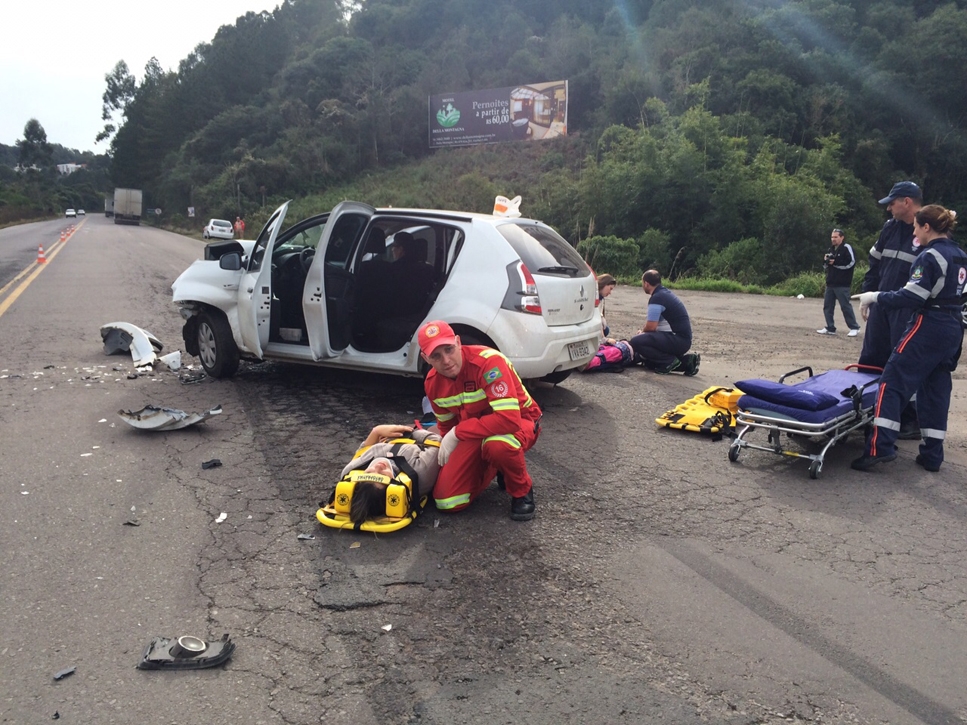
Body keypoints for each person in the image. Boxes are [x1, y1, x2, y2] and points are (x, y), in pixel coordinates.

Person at [850, 205, 965, 472]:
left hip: (929, 324)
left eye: (916, 227)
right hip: (953, 327)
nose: (913, 232)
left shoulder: (930, 257)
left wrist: (875, 297)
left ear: (926, 228)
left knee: (892, 381)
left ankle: (880, 448)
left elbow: (911, 296)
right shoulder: (960, 255)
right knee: (935, 389)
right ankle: (932, 455)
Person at [419, 320, 541, 521]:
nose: (446, 360)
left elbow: (508, 421)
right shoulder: (432, 384)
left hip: (521, 421)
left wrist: (458, 433)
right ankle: (498, 466)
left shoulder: (488, 362)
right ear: (426, 358)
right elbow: (447, 427)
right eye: (436, 356)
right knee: (447, 502)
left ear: (458, 342)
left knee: (498, 446)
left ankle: (521, 490)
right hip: (477, 431)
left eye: (449, 349)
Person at [859, 181, 923, 437]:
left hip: (907, 309)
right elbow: (874, 263)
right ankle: (865, 409)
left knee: (902, 364)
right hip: (882, 304)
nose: (888, 209)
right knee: (871, 357)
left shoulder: (927, 231)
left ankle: (910, 420)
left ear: (907, 202)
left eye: (892, 203)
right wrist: (868, 294)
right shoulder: (890, 228)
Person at [340, 424, 442, 523]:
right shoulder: (419, 473)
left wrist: (377, 431)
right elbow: (436, 441)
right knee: (436, 428)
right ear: (394, 488)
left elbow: (363, 450)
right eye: (383, 475)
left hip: (387, 436)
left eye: (370, 472)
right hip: (418, 438)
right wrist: (409, 432)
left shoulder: (350, 472)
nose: (378, 467)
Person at [629, 269, 700, 375]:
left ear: (646, 283)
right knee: (650, 363)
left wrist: (642, 333)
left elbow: (651, 327)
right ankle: (687, 362)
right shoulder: (665, 294)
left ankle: (668, 361)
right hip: (682, 340)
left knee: (636, 341)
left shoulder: (657, 298)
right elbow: (656, 324)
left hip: (677, 340)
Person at [816, 228, 861, 336]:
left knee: (845, 306)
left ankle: (854, 327)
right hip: (830, 282)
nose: (833, 239)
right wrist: (826, 262)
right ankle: (830, 327)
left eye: (836, 237)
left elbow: (851, 263)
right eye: (832, 237)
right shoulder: (830, 249)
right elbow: (825, 266)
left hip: (842, 283)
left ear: (842, 237)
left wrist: (835, 263)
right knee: (827, 306)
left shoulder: (846, 248)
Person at [597, 273, 617, 337]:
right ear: (604, 284)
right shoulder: (592, 296)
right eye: (610, 288)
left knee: (606, 329)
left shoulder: (601, 299)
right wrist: (604, 339)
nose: (610, 292)